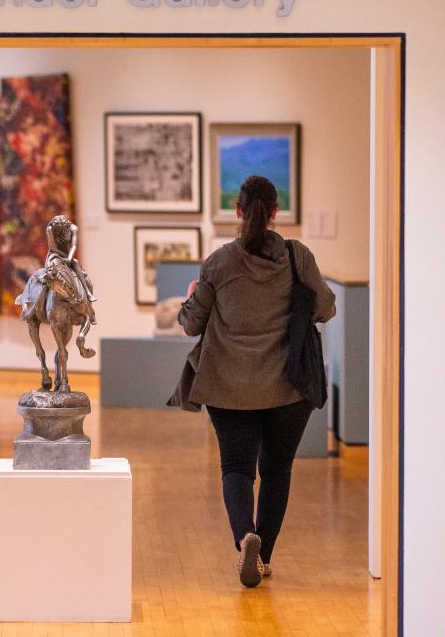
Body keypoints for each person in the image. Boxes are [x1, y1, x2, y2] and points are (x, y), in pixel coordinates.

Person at [177, 175, 336, 588]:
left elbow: (191, 324)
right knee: (277, 470)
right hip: (288, 387)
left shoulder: (218, 263)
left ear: (238, 209)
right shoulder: (295, 255)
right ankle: (262, 556)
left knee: (236, 469)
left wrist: (192, 295)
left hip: (229, 388)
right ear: (275, 211)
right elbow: (326, 307)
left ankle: (243, 534)